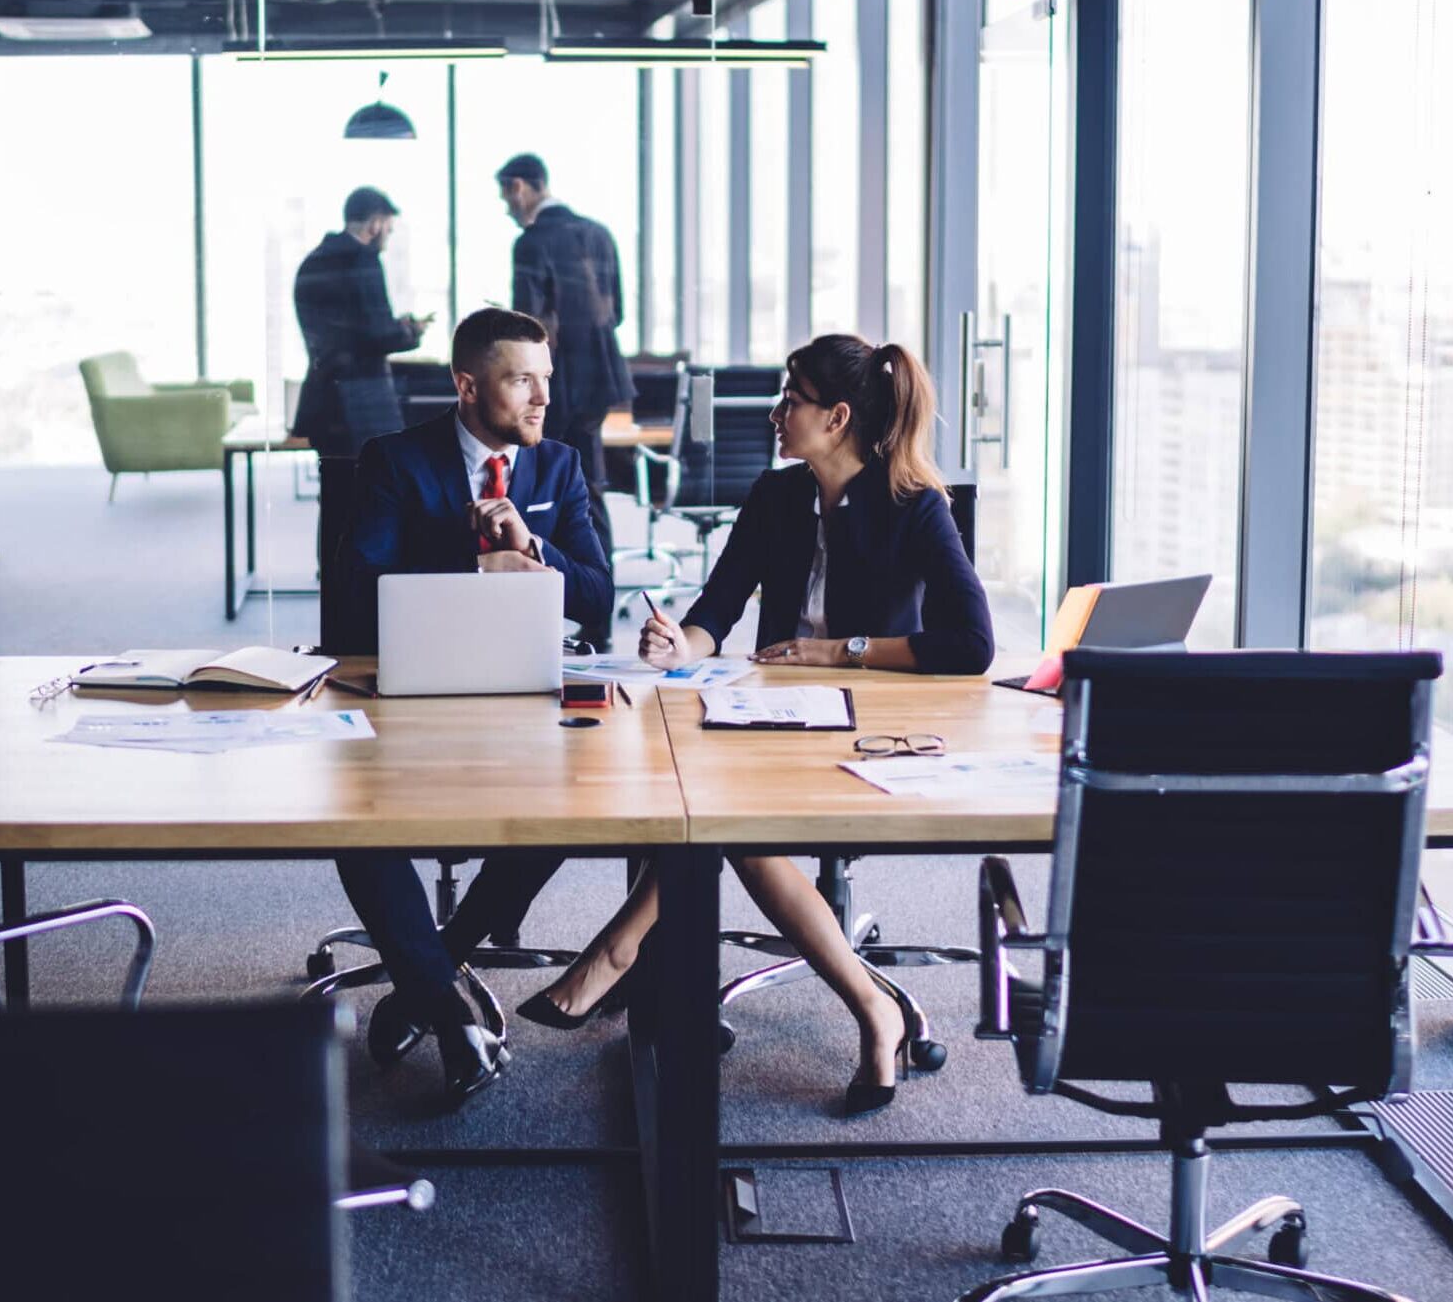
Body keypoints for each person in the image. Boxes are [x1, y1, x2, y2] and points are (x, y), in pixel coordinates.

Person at [515, 334, 994, 1118]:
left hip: (868, 727)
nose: (775, 414)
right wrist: (681, 644)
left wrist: (841, 650)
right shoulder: (775, 497)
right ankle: (853, 1003)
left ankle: (623, 952)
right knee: (696, 791)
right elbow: (717, 608)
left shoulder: (914, 504)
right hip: (770, 716)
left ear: (837, 417)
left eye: (790, 400)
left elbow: (971, 644)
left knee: (728, 819)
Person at [332, 306, 614, 1106]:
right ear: (466, 385)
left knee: (573, 808)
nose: (541, 399)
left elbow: (598, 601)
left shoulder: (556, 466)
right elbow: (355, 599)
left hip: (527, 701)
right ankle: (452, 1016)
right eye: (522, 379)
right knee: (359, 825)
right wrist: (468, 557)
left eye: (546, 381)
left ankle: (426, 976)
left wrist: (532, 546)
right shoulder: (394, 461)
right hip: (412, 700)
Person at [499, 152, 632, 638]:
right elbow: (616, 312)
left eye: (505, 197)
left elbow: (524, 332)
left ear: (520, 187)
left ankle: (534, 610)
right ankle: (596, 607)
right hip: (598, 377)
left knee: (533, 488)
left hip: (551, 380)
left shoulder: (531, 243)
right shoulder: (598, 232)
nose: (507, 209)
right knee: (586, 489)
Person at [292, 186, 432, 457]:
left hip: (323, 396)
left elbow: (348, 328)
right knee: (375, 487)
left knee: (335, 486)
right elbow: (379, 334)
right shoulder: (363, 259)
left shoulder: (313, 260)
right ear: (376, 223)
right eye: (388, 229)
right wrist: (411, 331)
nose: (388, 237)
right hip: (365, 398)